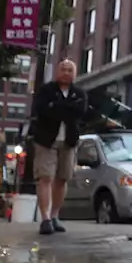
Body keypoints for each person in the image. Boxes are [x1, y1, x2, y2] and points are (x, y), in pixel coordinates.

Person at [30, 59, 87, 235]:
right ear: (57, 71)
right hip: (46, 140)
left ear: (75, 74)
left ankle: (55, 216)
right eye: (63, 69)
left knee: (62, 179)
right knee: (45, 177)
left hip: (68, 140)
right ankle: (45, 218)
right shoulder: (46, 90)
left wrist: (57, 107)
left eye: (70, 70)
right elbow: (42, 110)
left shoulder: (80, 93)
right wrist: (64, 109)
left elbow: (80, 112)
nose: (66, 72)